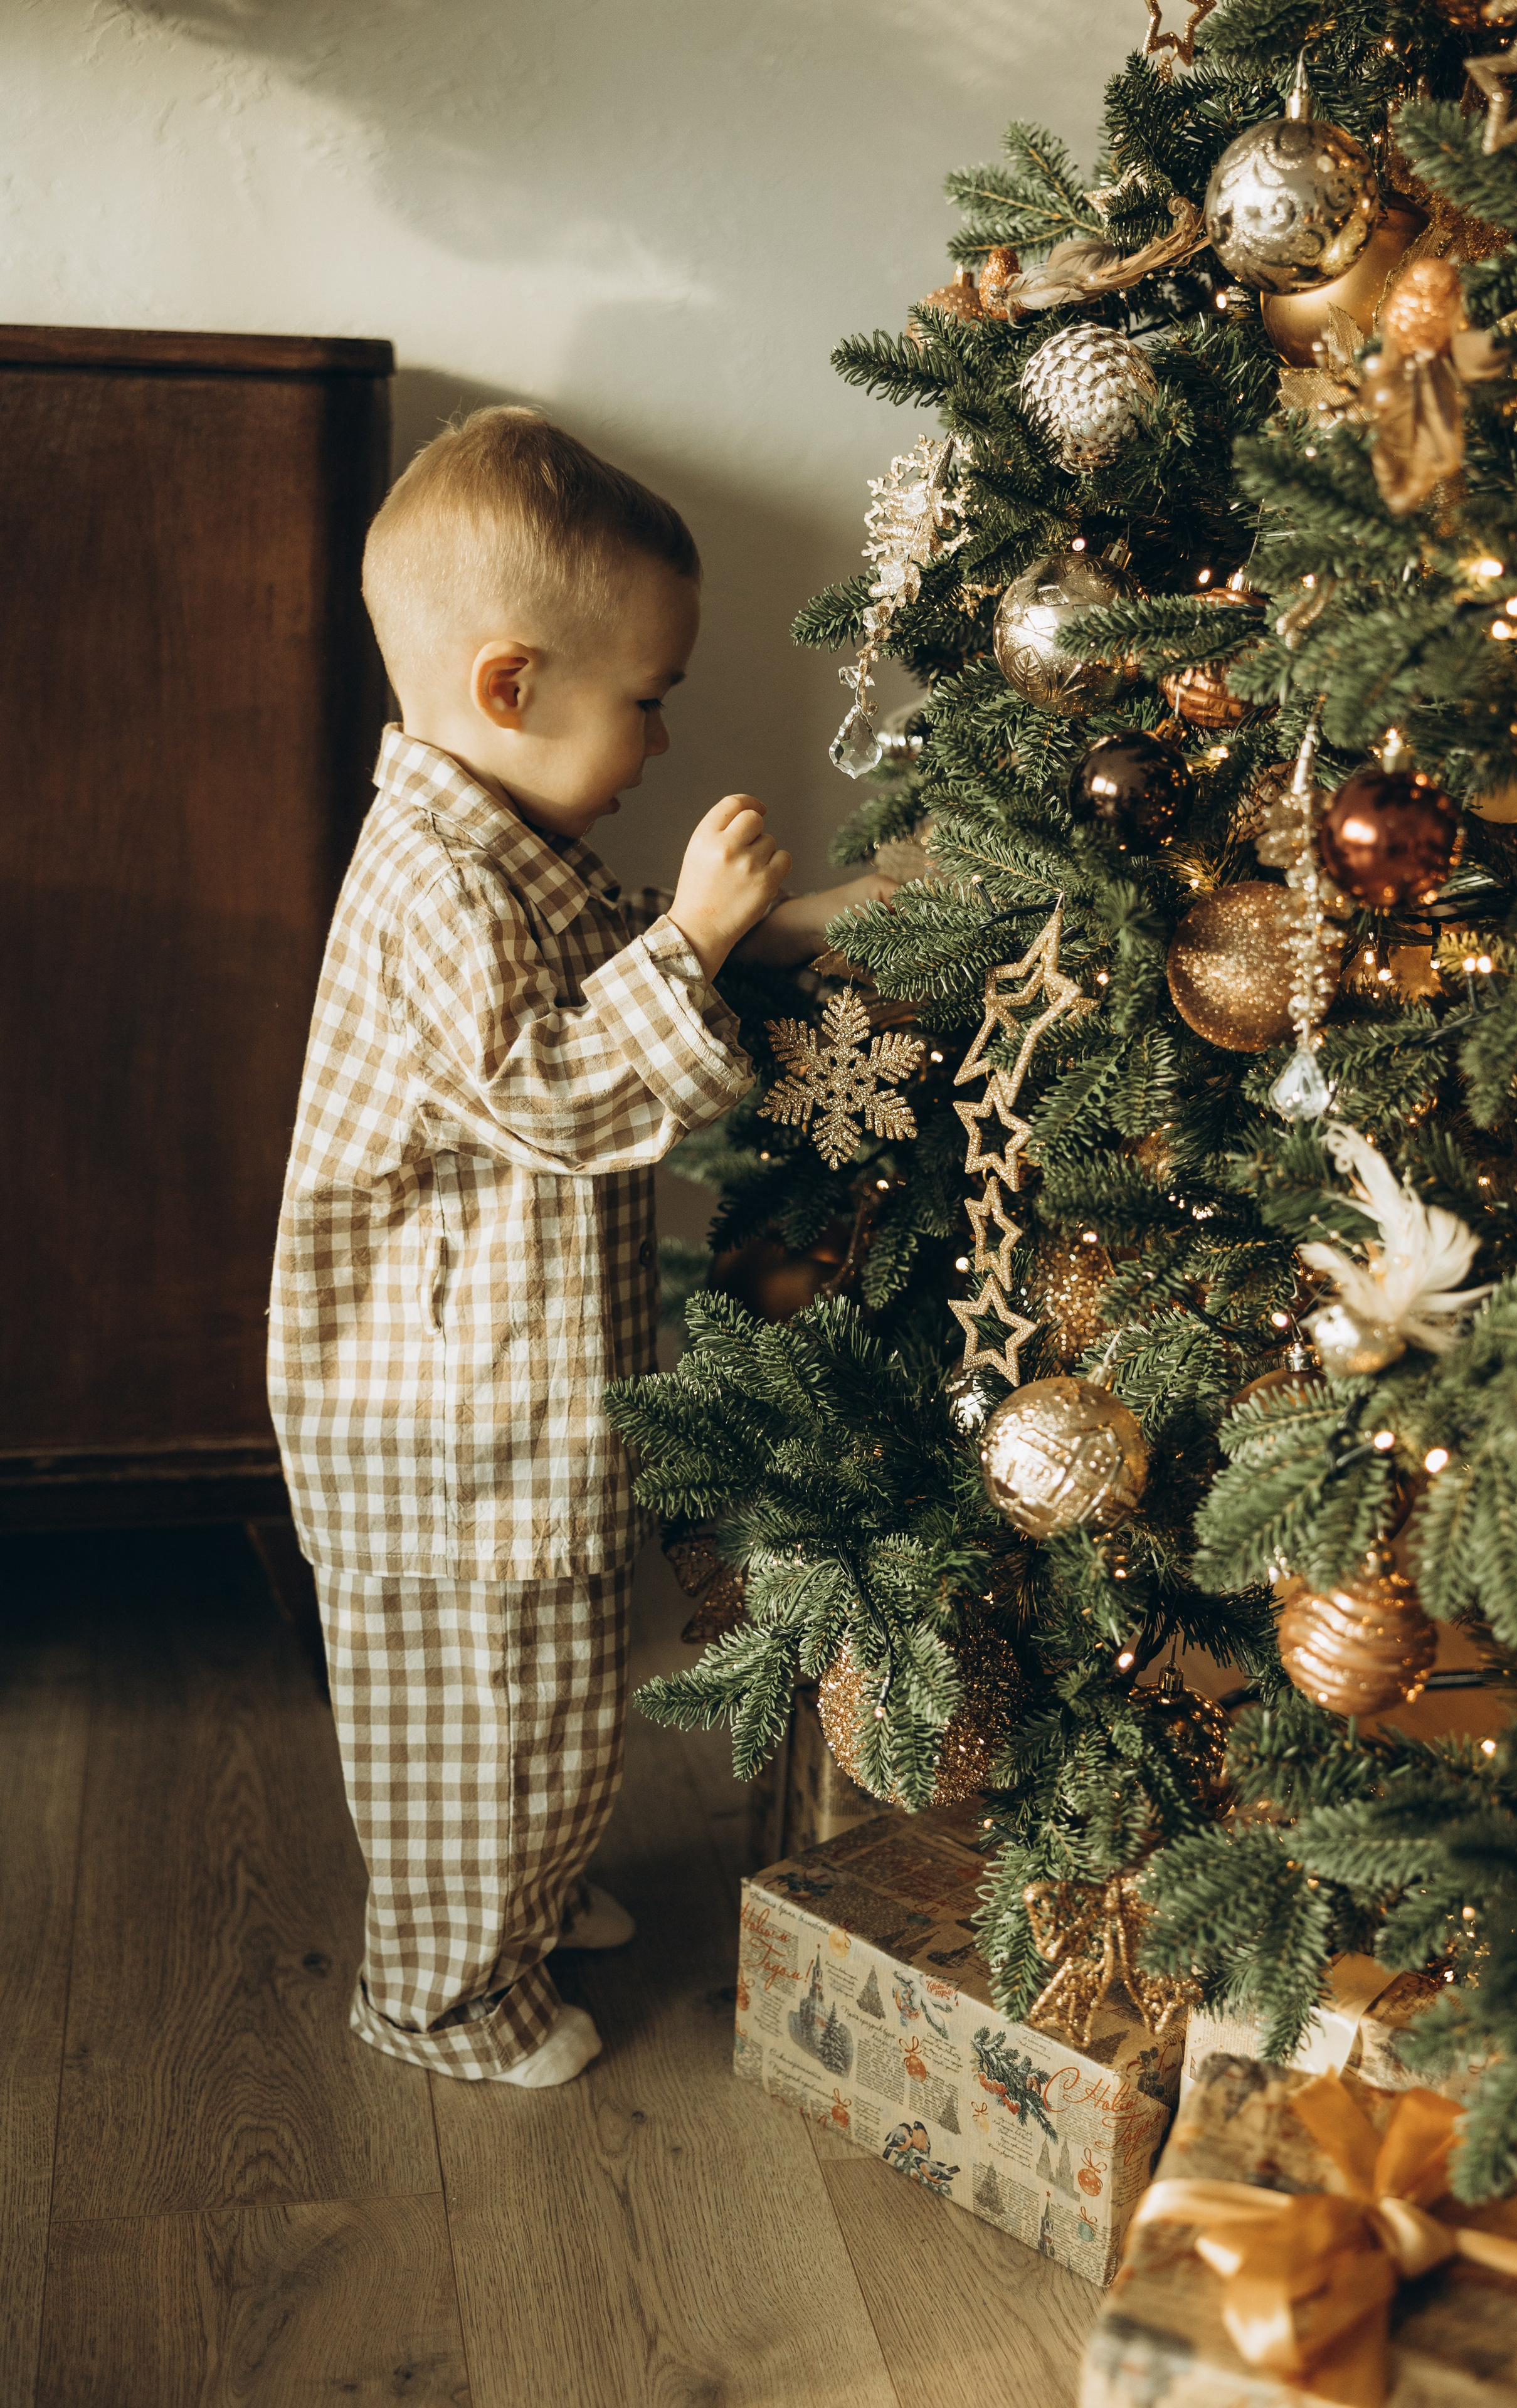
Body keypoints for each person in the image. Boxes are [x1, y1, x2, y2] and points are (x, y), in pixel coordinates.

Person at [268, 407, 889, 2087]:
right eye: (649, 697)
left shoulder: (501, 846)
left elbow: (615, 958)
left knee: (539, 1697)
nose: (665, 738)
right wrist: (692, 933)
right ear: (511, 688)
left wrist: (775, 929)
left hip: (507, 1400)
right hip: (446, 1429)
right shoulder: (437, 890)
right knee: (486, 1713)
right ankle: (447, 2000)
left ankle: (522, 1901)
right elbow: (548, 1085)